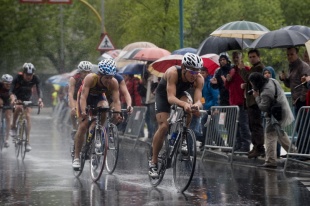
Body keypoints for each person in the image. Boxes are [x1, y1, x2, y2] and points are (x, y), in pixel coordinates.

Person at [149, 53, 204, 178]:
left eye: (197, 72)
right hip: (164, 95)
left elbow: (198, 100)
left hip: (181, 94)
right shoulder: (173, 72)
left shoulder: (199, 79)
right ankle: (153, 162)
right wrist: (184, 105)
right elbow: (170, 98)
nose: (194, 75)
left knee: (190, 107)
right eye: (191, 72)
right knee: (164, 126)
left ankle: (183, 136)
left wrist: (196, 106)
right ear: (183, 68)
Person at [72, 59, 122, 169]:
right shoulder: (91, 78)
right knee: (83, 126)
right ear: (100, 75)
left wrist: (117, 113)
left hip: (98, 98)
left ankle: (98, 131)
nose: (109, 80)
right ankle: (76, 157)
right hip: (85, 97)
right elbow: (83, 97)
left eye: (111, 77)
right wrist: (84, 112)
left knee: (105, 107)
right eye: (106, 78)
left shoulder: (113, 82)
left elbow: (117, 100)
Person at [249, 72, 295, 168]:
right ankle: (294, 153)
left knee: (269, 135)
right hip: (282, 109)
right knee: (279, 133)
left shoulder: (266, 92)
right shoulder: (272, 81)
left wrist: (257, 97)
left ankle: (270, 161)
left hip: (274, 115)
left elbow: (263, 107)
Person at [10, 63, 44, 152]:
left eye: (31, 75)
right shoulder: (18, 77)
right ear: (23, 73)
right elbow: (11, 90)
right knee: (18, 108)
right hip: (17, 96)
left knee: (28, 116)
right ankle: (13, 126)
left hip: (28, 97)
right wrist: (13, 98)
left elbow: (39, 89)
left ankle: (28, 142)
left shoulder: (36, 78)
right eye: (27, 75)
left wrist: (40, 99)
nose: (29, 77)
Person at [240, 49, 265, 158]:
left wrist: (241, 69)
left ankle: (259, 148)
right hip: (250, 101)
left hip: (255, 100)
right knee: (252, 125)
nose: (251, 59)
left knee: (256, 125)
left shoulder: (259, 68)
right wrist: (246, 85)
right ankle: (255, 147)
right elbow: (250, 82)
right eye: (250, 57)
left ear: (258, 57)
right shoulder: (253, 68)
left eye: (253, 56)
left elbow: (250, 78)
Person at [225, 51, 251, 152]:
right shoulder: (232, 71)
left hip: (242, 101)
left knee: (243, 124)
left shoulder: (246, 69)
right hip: (233, 102)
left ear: (241, 57)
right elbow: (227, 87)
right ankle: (238, 144)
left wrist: (242, 70)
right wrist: (228, 80)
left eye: (237, 57)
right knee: (235, 124)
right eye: (234, 57)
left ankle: (246, 145)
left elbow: (249, 81)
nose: (235, 59)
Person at [279, 47, 310, 116]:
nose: (289, 56)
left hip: (303, 103)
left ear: (297, 54)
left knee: (302, 125)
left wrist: (301, 99)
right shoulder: (291, 67)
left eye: (292, 54)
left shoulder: (303, 66)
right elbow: (290, 85)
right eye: (288, 55)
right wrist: (284, 79)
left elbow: (306, 84)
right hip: (296, 101)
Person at [68, 61, 92, 139]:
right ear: (80, 72)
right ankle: (75, 128)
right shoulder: (74, 79)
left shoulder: (92, 78)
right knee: (74, 112)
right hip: (76, 98)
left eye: (88, 72)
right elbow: (71, 94)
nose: (86, 74)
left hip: (86, 97)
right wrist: (73, 107)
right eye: (84, 72)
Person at [0, 74, 14, 148]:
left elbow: (13, 96)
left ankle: (6, 140)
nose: (8, 85)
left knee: (8, 117)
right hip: (1, 99)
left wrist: (13, 101)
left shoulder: (11, 87)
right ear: (2, 82)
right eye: (6, 84)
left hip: (7, 100)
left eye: (9, 84)